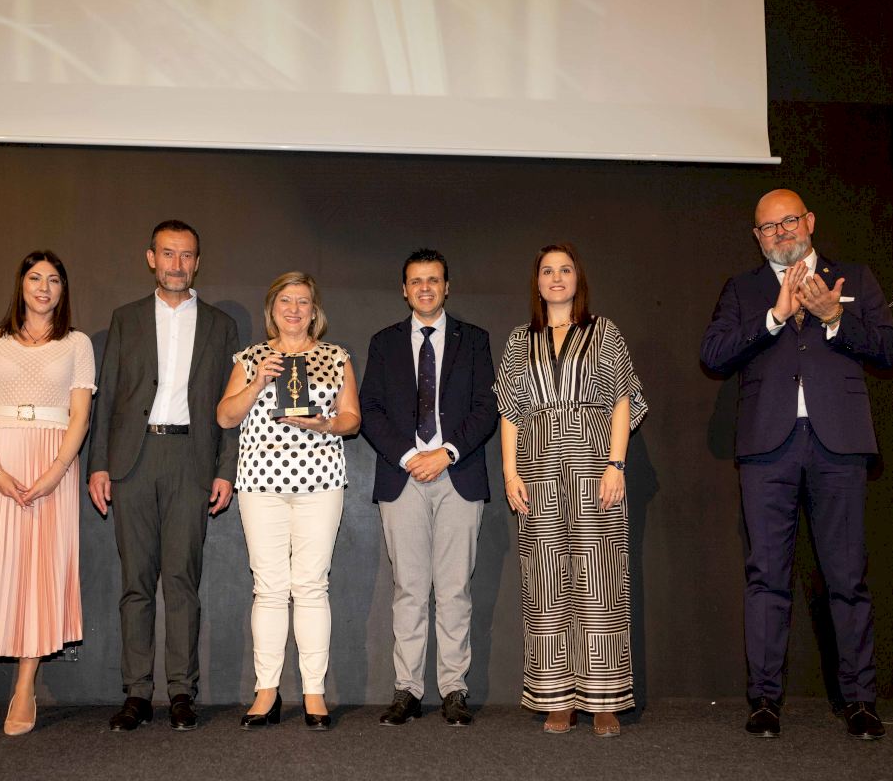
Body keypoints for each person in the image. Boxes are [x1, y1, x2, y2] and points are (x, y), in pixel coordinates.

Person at [700, 189, 893, 740]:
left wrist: (835, 317)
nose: (781, 232)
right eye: (768, 227)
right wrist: (774, 317)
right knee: (766, 577)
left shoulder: (854, 279)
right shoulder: (743, 290)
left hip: (840, 446)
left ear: (809, 221)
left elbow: (890, 349)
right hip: (768, 448)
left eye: (789, 221)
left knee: (848, 577)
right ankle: (765, 701)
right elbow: (713, 354)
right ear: (757, 237)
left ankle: (859, 700)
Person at [87, 220, 238, 732]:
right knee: (136, 583)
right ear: (151, 257)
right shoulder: (125, 318)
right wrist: (99, 464)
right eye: (168, 253)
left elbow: (228, 407)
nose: (177, 264)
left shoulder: (220, 325)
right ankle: (136, 692)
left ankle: (181, 692)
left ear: (197, 262)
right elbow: (107, 393)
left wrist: (225, 469)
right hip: (133, 461)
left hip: (191, 460)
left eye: (187, 255)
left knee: (182, 582)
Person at [493, 243, 648, 737]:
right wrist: (510, 473)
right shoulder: (520, 340)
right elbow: (509, 411)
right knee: (545, 580)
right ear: (536, 282)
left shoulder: (604, 331)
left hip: (594, 465)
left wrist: (616, 465)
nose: (556, 278)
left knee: (600, 577)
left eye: (564, 270)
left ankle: (604, 699)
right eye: (547, 271)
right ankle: (556, 698)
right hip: (538, 469)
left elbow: (622, 400)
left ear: (577, 279)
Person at [0, 251, 95, 740]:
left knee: (40, 573)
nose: (44, 287)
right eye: (35, 278)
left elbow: (80, 416)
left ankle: (24, 688)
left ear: (63, 290)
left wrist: (56, 471)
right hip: (0, 462)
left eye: (54, 279)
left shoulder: (77, 344)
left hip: (54, 465)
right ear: (21, 284)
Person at [217, 271, 361, 730]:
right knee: (269, 589)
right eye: (285, 301)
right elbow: (225, 416)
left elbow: (353, 419)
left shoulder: (336, 357)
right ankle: (267, 691)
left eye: (302, 301)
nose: (294, 309)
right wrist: (257, 382)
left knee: (312, 586)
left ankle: (314, 692)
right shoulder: (250, 358)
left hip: (320, 482)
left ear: (314, 311)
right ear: (272, 309)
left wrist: (327, 424)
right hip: (260, 484)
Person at [359, 249, 497, 727]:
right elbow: (370, 409)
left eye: (433, 280)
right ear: (404, 289)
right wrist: (408, 456)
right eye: (416, 281)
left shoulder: (474, 340)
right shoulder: (384, 343)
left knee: (455, 590)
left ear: (446, 286)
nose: (424, 288)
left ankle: (454, 689)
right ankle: (408, 690)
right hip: (402, 478)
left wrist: (447, 452)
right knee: (409, 590)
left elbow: (486, 407)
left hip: (459, 475)